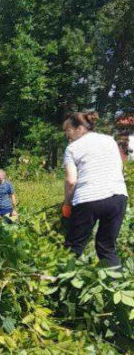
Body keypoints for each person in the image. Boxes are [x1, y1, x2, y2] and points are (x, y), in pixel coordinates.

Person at [62, 112, 128, 267]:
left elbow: (71, 181)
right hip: (118, 197)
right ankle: (116, 282)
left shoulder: (72, 148)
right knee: (107, 247)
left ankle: (60, 281)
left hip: (88, 199)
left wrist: (67, 203)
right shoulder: (109, 140)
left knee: (72, 248)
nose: (67, 136)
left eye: (68, 131)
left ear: (79, 128)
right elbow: (119, 167)